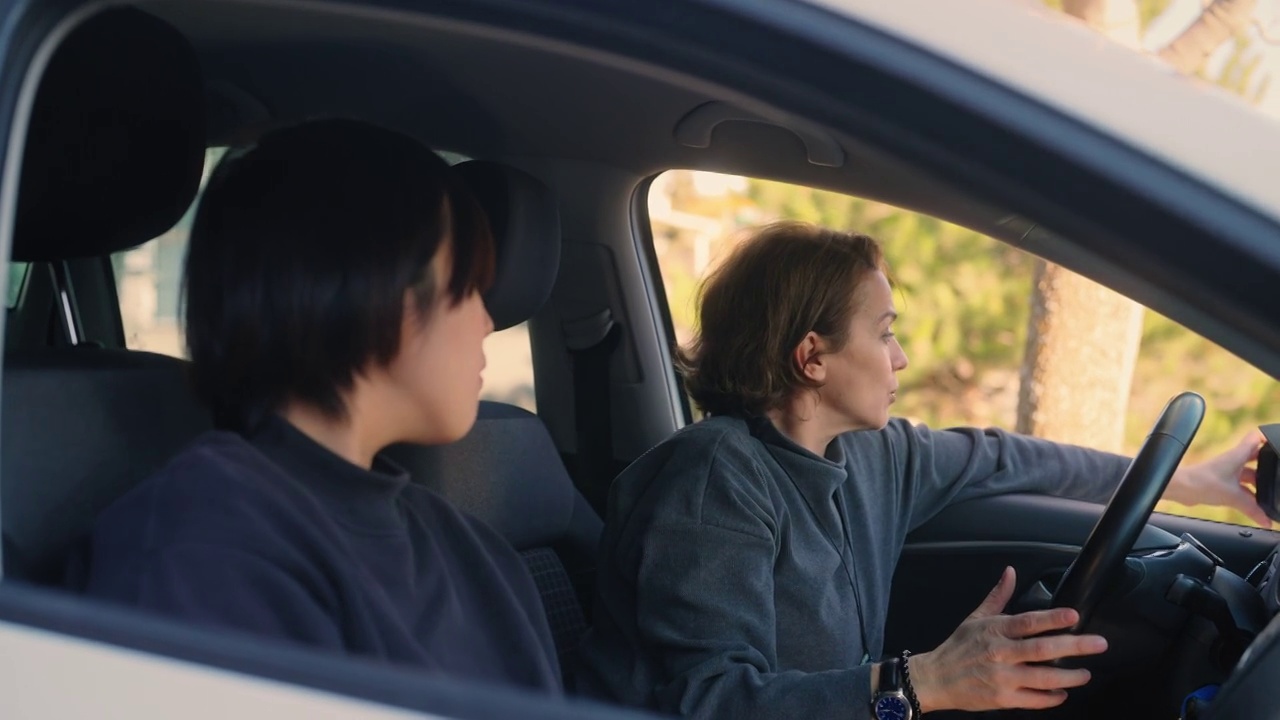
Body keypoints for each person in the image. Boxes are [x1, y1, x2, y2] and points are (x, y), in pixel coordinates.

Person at [577, 221, 1264, 717]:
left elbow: (1017, 460)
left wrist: (1197, 483)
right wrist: (918, 684)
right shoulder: (715, 476)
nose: (901, 357)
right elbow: (707, 702)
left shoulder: (875, 454)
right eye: (883, 332)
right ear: (812, 358)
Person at [83, 119, 561, 693]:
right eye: (469, 289)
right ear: (375, 290)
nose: (487, 322)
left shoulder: (475, 551)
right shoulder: (203, 545)